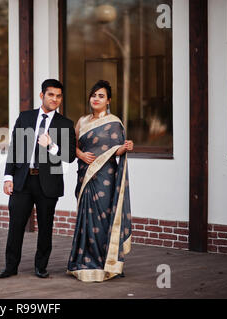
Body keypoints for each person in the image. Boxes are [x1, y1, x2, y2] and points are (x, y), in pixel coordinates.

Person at [0, 79, 76, 279]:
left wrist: (51, 146)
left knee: (45, 226)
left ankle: (41, 267)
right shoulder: (25, 118)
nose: (55, 99)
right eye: (51, 95)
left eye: (58, 96)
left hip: (48, 183)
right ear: (42, 96)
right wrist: (8, 177)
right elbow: (14, 149)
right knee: (15, 225)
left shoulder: (65, 124)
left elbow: (69, 156)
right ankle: (10, 267)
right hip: (23, 180)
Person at [67, 80, 133, 282]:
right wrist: (81, 155)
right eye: (94, 95)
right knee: (86, 220)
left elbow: (117, 151)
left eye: (101, 96)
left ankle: (108, 262)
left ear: (108, 100)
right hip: (87, 177)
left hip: (106, 178)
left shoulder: (114, 122)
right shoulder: (82, 121)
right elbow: (73, 145)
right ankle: (85, 262)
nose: (96, 99)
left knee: (103, 219)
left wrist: (126, 147)